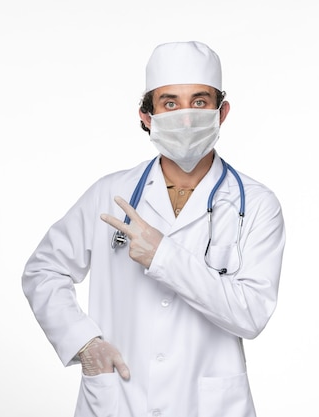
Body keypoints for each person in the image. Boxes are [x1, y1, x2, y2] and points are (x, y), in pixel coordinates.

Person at [22, 40, 286, 417]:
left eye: (199, 101)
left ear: (221, 112)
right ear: (147, 116)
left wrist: (163, 255)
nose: (185, 116)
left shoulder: (257, 205)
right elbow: (43, 270)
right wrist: (85, 344)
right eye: (169, 103)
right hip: (122, 399)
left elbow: (251, 315)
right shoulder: (109, 193)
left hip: (207, 405)